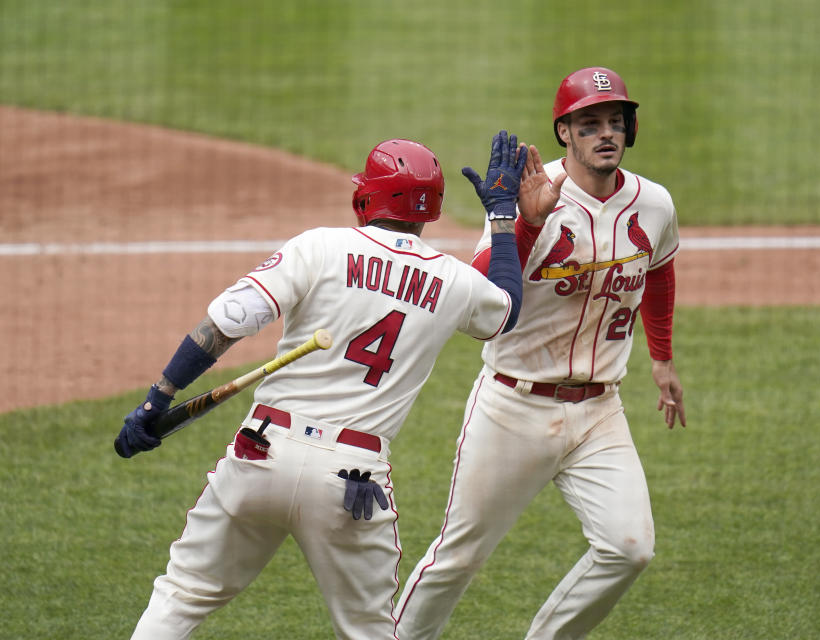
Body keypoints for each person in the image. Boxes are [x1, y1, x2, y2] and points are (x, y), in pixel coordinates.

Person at [114, 132, 529, 640]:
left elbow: (228, 321)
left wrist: (159, 397)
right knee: (369, 630)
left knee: (181, 594)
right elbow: (506, 310)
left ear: (368, 194)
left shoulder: (320, 246)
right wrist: (504, 218)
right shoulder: (456, 282)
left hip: (259, 453)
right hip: (351, 479)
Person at [395, 67, 686, 639]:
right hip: (514, 406)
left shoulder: (654, 204)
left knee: (630, 549)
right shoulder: (530, 193)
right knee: (458, 558)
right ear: (565, 133)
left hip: (601, 411)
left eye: (615, 122)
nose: (606, 133)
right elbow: (480, 297)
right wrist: (523, 222)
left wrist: (663, 357)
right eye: (590, 123)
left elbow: (660, 271)